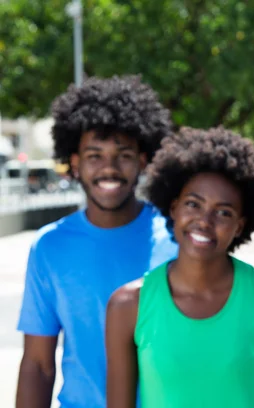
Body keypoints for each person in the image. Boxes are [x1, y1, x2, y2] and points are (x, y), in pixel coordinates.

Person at [105, 127, 254, 408]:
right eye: (193, 204)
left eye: (223, 212)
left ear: (239, 225)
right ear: (174, 208)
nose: (205, 221)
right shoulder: (128, 305)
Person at [16, 76, 178, 408]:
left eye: (123, 155)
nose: (109, 169)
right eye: (94, 156)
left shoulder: (177, 238)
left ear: (143, 161)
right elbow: (37, 364)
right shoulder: (49, 247)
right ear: (74, 163)